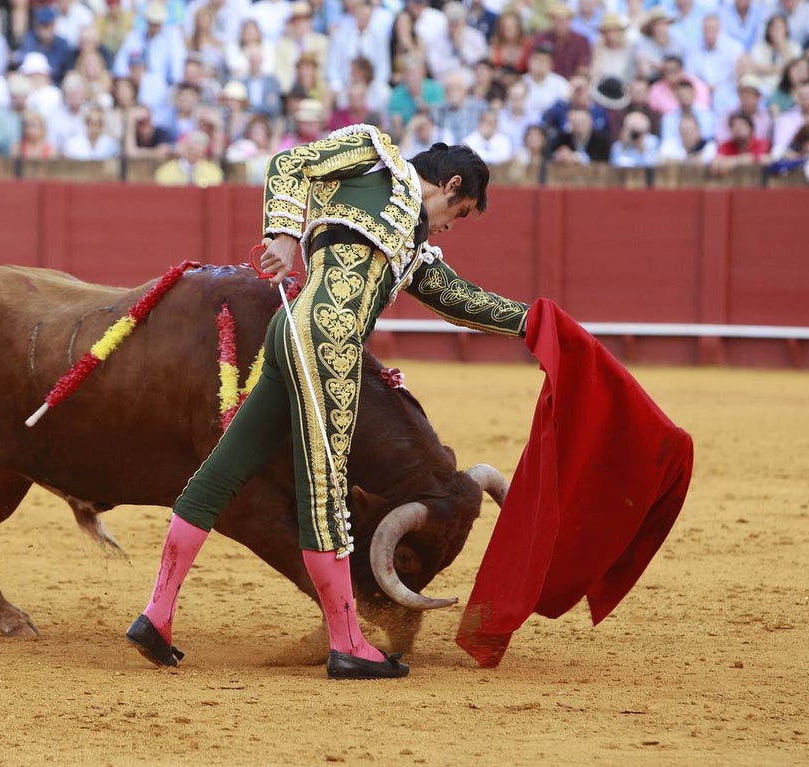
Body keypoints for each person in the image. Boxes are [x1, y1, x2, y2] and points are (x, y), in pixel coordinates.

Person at [125, 125, 530, 679]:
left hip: (290, 336)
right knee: (326, 492)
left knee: (222, 471)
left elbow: (463, 302)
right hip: (327, 349)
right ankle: (347, 644)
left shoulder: (411, 246)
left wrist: (541, 324)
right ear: (451, 183)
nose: (448, 227)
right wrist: (284, 235)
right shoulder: (375, 154)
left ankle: (156, 615)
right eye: (457, 213)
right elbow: (290, 162)